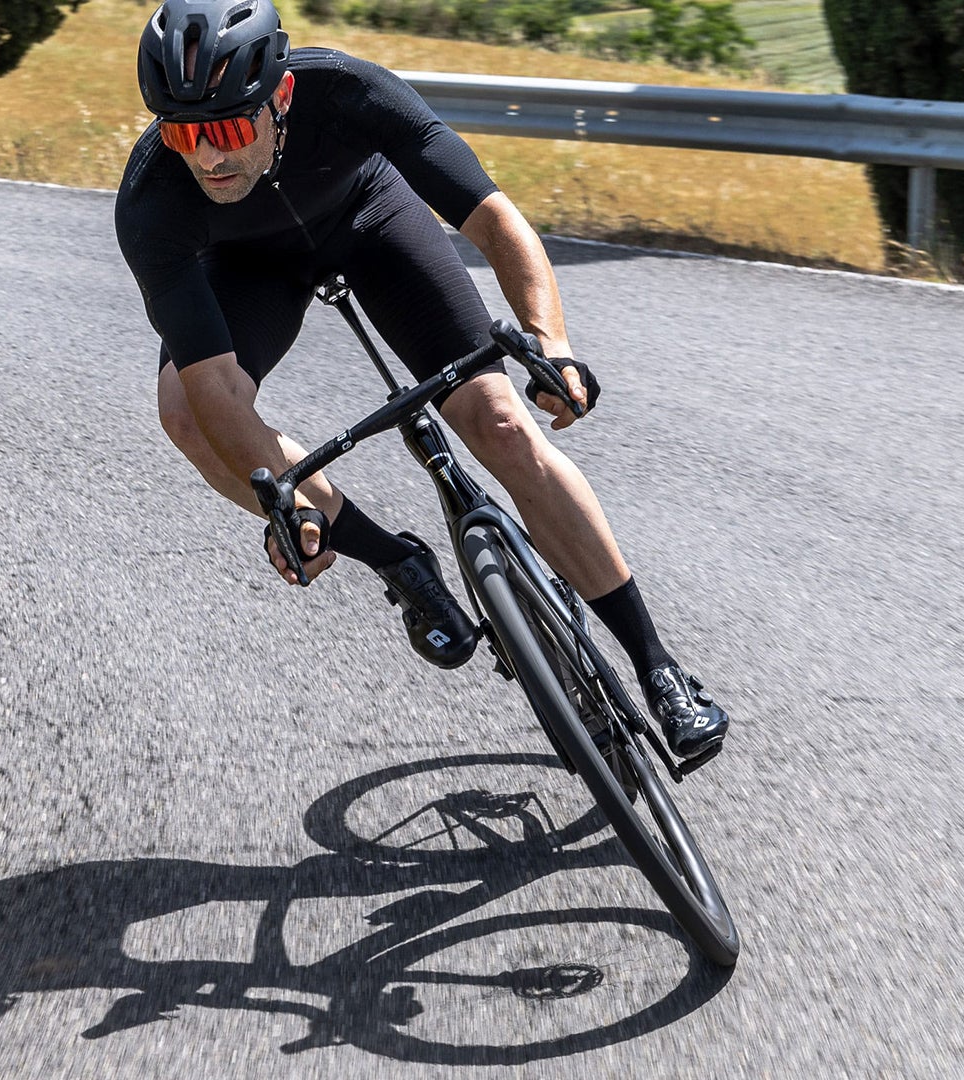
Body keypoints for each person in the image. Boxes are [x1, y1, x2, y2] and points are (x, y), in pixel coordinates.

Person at [114, 0, 729, 758]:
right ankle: (396, 562)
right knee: (182, 410)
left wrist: (552, 343)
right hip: (250, 270)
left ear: (279, 98)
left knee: (501, 424)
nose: (206, 157)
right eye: (181, 133)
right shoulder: (152, 201)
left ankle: (660, 669)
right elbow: (216, 391)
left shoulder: (346, 91)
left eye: (229, 129)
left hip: (371, 220)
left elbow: (496, 222)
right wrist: (281, 501)